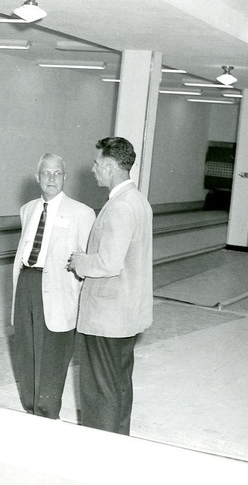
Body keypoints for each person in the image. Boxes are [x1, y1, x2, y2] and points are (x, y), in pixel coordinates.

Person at [68, 137, 153, 435]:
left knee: (99, 391)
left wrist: (79, 260)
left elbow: (108, 263)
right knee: (118, 386)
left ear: (110, 166)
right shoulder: (138, 201)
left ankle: (98, 453)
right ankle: (118, 445)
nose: (93, 169)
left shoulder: (120, 206)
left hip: (108, 316)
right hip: (125, 315)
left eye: (96, 163)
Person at [11, 153, 95, 418]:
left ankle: (48, 412)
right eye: (46, 173)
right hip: (27, 282)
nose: (51, 178)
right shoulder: (28, 209)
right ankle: (30, 406)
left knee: (53, 355)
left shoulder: (82, 213)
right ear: (37, 177)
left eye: (57, 173)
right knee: (26, 348)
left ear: (65, 178)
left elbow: (88, 260)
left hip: (59, 291)